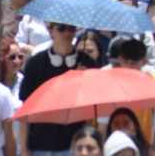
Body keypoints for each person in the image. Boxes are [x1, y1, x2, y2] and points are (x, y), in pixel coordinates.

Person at [19, 23, 98, 156]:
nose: (67, 33)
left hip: (75, 146)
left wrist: (83, 81)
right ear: (50, 31)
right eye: (61, 28)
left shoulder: (88, 64)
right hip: (39, 145)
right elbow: (25, 110)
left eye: (71, 28)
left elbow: (90, 110)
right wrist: (23, 150)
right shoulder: (34, 64)